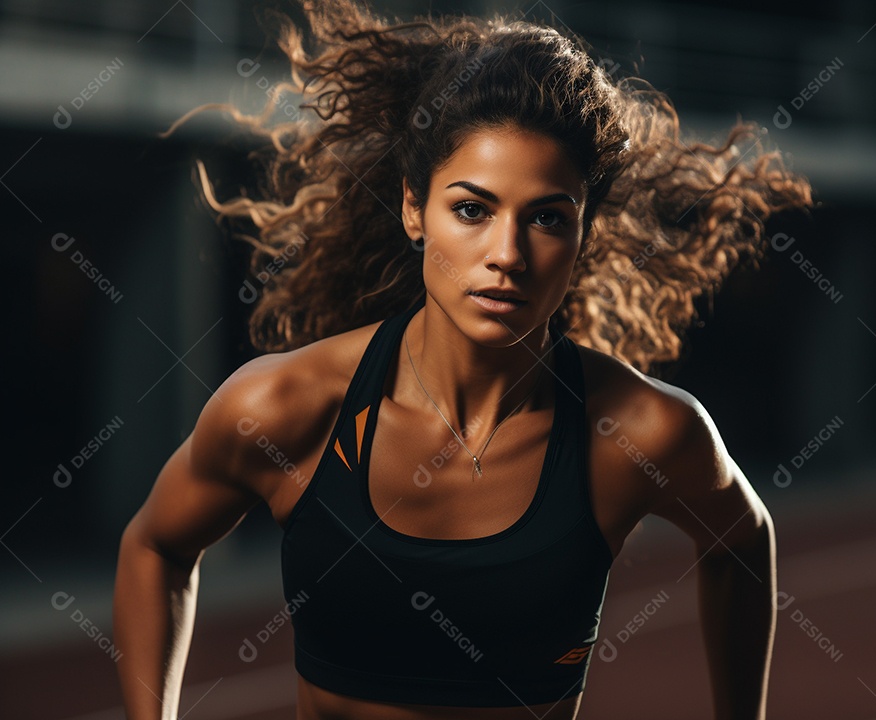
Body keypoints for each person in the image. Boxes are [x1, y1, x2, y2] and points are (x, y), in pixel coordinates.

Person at [112, 1, 813, 719]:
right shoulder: (283, 410)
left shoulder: (640, 435)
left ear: (585, 235)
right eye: (473, 210)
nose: (506, 255)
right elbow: (155, 547)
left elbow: (743, 540)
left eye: (546, 217)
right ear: (415, 210)